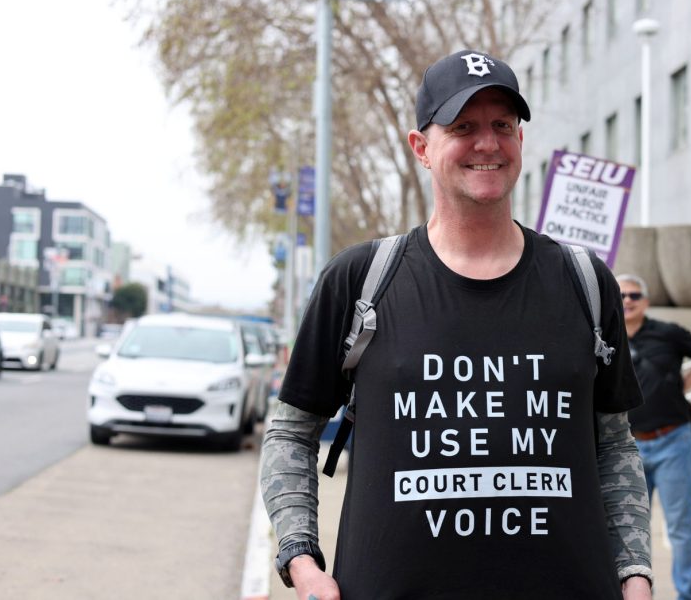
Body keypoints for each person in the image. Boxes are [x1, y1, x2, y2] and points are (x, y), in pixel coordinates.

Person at [260, 50, 654, 600]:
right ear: (421, 147)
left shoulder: (585, 280)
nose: (487, 143)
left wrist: (635, 574)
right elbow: (291, 432)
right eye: (463, 126)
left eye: (503, 126)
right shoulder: (361, 280)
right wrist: (302, 562)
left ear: (520, 141)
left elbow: (614, 446)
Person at [615, 273, 691, 600]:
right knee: (631, 531)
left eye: (634, 295)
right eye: (622, 295)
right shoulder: (605, 336)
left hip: (674, 441)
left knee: (680, 528)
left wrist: (684, 386)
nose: (628, 300)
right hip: (626, 447)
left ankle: (688, 595)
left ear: (645, 301)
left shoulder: (668, 333)